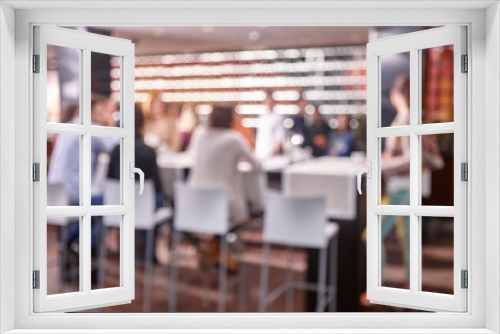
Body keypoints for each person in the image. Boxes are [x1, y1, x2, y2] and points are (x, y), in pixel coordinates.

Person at [107, 104, 165, 261]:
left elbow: (110, 182)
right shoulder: (149, 152)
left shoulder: (115, 151)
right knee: (159, 199)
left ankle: (122, 246)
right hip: (142, 208)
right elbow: (157, 186)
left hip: (119, 207)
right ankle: (148, 251)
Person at [380, 75, 411, 285]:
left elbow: (409, 159)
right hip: (403, 187)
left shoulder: (407, 119)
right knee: (407, 239)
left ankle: (377, 285)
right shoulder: (403, 117)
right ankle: (411, 284)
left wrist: (382, 164)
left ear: (395, 93)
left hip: (401, 188)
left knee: (370, 236)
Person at [254, 93, 285, 159]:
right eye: (267, 102)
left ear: (274, 103)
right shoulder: (261, 117)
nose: (269, 104)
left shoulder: (278, 118)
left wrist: (274, 152)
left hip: (271, 154)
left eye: (270, 102)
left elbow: (279, 138)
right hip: (260, 153)